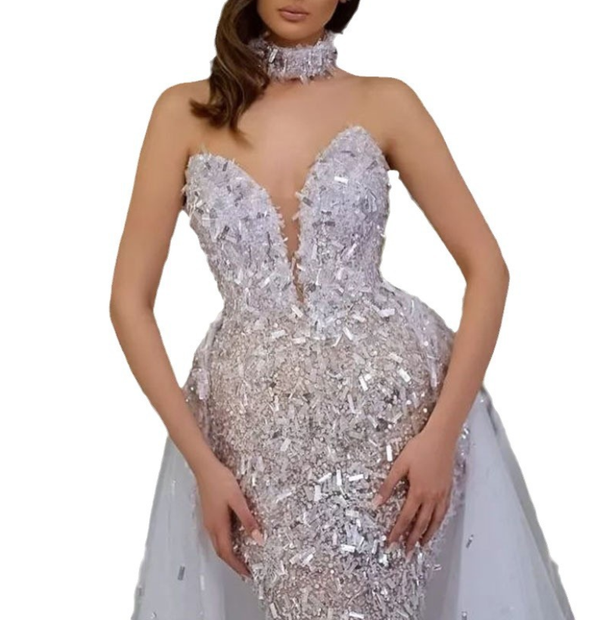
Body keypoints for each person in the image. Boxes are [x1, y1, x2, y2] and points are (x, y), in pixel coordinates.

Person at [109, 1, 575, 619]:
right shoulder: (183, 110)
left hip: (393, 419)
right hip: (253, 430)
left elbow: (488, 270)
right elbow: (129, 302)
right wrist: (203, 463)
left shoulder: (386, 102)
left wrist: (441, 436)